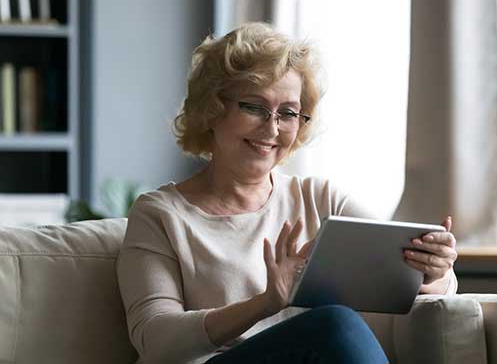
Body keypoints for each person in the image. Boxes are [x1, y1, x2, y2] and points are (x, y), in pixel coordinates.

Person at [117, 22, 458, 364]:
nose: (272, 128)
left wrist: (433, 271)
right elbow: (155, 340)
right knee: (335, 324)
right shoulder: (160, 214)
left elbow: (419, 284)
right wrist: (265, 303)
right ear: (212, 109)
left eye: (289, 113)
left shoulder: (321, 199)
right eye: (254, 107)